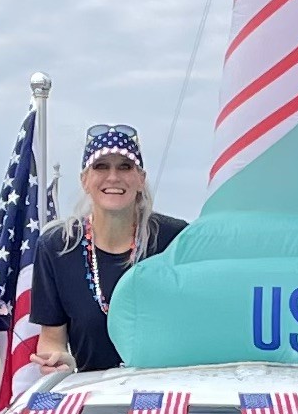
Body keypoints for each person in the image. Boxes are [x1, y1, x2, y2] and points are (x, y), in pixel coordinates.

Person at [28, 123, 185, 374]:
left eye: (125, 166)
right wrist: (61, 363)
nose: (113, 177)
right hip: (95, 400)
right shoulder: (57, 247)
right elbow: (51, 339)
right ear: (84, 180)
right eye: (101, 166)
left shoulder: (174, 239)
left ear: (141, 179)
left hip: (165, 397)